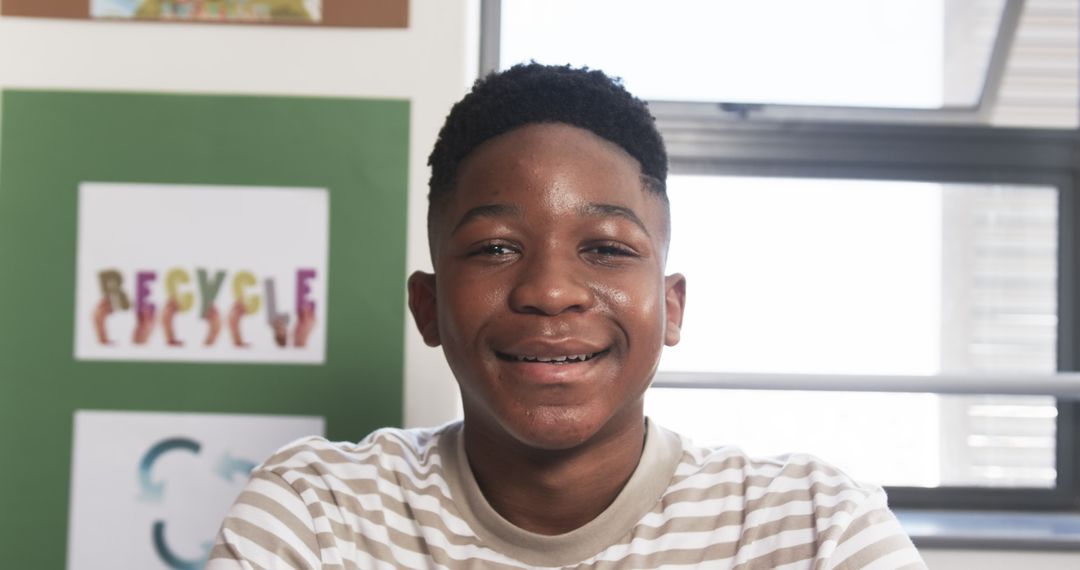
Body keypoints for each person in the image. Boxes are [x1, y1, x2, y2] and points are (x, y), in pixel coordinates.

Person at [207, 63, 926, 569]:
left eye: (607, 248)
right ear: (427, 305)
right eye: (495, 247)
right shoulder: (317, 513)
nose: (551, 292)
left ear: (671, 307)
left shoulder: (814, 528)